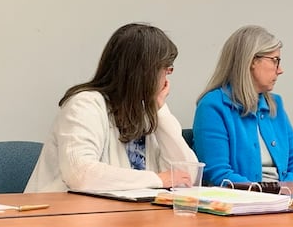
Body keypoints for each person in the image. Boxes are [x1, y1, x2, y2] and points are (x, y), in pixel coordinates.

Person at [25, 23, 197, 192]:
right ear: (145, 72)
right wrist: (157, 179)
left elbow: (186, 176)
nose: (167, 77)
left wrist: (161, 111)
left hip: (123, 214)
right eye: (166, 69)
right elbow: (80, 174)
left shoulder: (146, 112)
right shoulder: (85, 105)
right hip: (59, 214)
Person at [193, 25, 293, 186]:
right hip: (241, 201)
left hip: (283, 199)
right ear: (252, 60)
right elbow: (218, 173)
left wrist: (285, 191)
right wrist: (264, 194)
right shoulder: (212, 106)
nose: (280, 70)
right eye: (275, 60)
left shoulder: (275, 104)